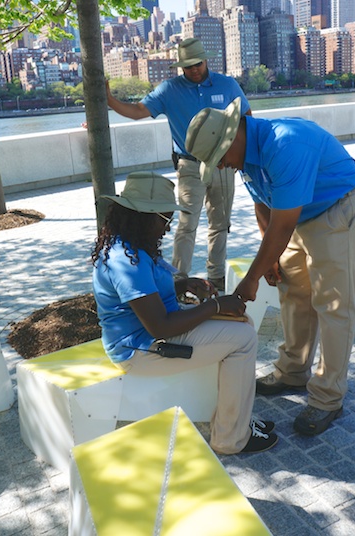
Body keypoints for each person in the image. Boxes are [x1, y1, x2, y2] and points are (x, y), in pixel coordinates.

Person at [185, 98, 355, 436]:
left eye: (220, 159)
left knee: (332, 303)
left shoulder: (285, 145)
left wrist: (251, 279)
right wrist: (270, 260)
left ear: (232, 139)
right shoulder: (245, 156)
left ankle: (328, 396)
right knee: (293, 291)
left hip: (336, 207)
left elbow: (282, 225)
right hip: (298, 213)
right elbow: (263, 204)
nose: (222, 166)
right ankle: (293, 371)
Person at [91, 170, 278, 455]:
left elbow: (146, 296)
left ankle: (236, 419)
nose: (167, 227)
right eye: (165, 218)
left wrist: (183, 285)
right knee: (243, 338)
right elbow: (160, 326)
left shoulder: (131, 246)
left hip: (148, 339)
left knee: (243, 323)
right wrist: (214, 306)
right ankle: (231, 437)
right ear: (144, 216)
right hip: (143, 350)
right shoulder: (125, 261)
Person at [105, 38, 252, 291]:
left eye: (197, 64)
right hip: (190, 166)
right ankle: (179, 280)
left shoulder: (227, 85)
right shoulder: (169, 89)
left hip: (224, 164)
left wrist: (245, 159)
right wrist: (108, 99)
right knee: (187, 224)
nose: (194, 70)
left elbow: (247, 119)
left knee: (221, 223)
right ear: (180, 67)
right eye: (187, 66)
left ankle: (216, 276)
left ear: (206, 60)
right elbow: (138, 111)